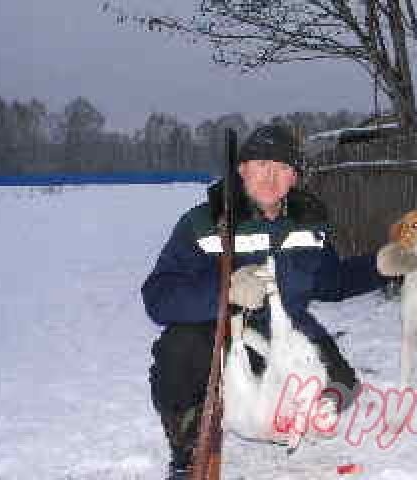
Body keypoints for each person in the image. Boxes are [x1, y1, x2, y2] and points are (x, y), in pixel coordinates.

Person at [141, 124, 386, 479]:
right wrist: (225, 292)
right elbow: (159, 297)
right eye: (261, 165)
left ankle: (272, 409)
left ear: (295, 178)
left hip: (289, 333)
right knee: (177, 354)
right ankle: (189, 446)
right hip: (222, 338)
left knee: (342, 388)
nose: (271, 176)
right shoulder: (203, 222)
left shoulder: (309, 222)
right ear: (242, 170)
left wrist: (380, 266)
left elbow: (332, 282)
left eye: (283, 167)